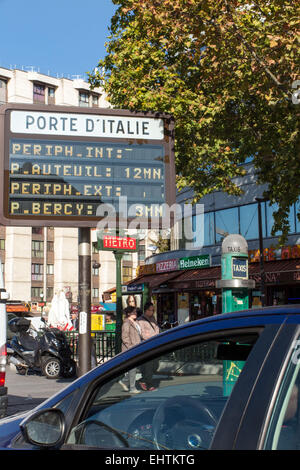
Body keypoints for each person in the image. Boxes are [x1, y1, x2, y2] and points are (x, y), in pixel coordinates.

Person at [137, 302, 160, 391]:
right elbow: (142, 333)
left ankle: (143, 380)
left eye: (153, 310)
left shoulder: (153, 319)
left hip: (155, 344)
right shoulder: (140, 320)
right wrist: (152, 337)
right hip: (147, 344)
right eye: (150, 310)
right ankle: (149, 384)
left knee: (155, 365)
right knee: (149, 366)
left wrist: (156, 336)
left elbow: (157, 328)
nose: (152, 312)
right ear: (146, 310)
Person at [119, 306, 142, 394]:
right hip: (131, 348)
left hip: (137, 347)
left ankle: (125, 381)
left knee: (134, 367)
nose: (135, 314)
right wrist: (131, 347)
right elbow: (125, 337)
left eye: (136, 312)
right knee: (133, 368)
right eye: (134, 312)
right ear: (129, 313)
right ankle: (132, 387)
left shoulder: (136, 322)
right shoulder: (126, 323)